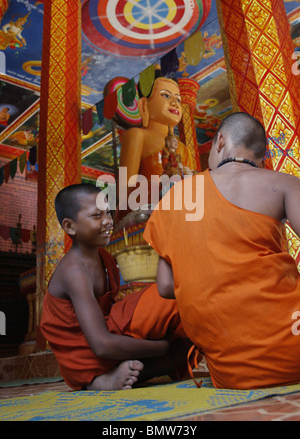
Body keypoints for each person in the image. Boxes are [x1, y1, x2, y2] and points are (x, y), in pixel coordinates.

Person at [143, 111, 300, 390]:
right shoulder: (283, 183)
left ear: (220, 142)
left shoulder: (178, 195)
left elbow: (166, 287)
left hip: (232, 371)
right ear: (260, 156)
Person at [40, 183, 189, 391]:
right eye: (96, 216)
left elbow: (112, 318)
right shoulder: (74, 271)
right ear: (70, 227)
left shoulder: (105, 258)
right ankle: (98, 380)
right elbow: (101, 344)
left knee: (183, 350)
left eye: (108, 213)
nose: (108, 221)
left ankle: (109, 377)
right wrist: (160, 347)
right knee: (166, 302)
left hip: (105, 340)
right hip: (85, 356)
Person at [116, 70, 193, 223]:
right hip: (146, 206)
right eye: (166, 95)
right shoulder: (137, 135)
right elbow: (124, 189)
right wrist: (160, 189)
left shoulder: (183, 148)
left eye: (178, 99)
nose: (174, 103)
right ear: (144, 105)